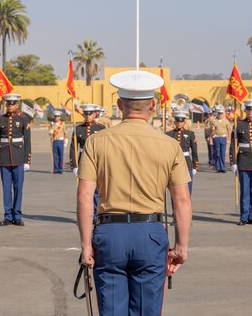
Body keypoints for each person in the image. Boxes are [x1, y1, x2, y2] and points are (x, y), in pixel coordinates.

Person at [77, 70, 192, 316]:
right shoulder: (170, 145)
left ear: (119, 105)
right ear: (152, 104)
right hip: (150, 234)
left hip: (110, 234)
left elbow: (85, 195)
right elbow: (181, 199)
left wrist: (86, 245)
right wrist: (181, 247)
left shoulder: (96, 141)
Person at [0, 93, 32, 226]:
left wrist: (27, 160)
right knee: (6, 188)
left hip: (18, 157)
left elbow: (27, 141)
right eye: (8, 104)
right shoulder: (0, 119)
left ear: (17, 105)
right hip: (4, 157)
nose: (10, 106)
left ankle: (17, 215)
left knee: (18, 187)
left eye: (12, 104)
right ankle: (8, 216)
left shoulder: (23, 119)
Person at [70, 103, 106, 215]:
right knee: (84, 190)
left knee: (97, 190)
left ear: (95, 114)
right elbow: (73, 148)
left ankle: (96, 214)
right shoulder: (78, 129)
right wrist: (75, 165)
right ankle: (85, 213)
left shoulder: (101, 128)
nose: (87, 116)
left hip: (97, 161)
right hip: (84, 160)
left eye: (89, 114)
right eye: (85, 114)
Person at [166, 109, 198, 194]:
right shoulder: (169, 134)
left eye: (181, 121)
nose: (179, 123)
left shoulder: (190, 134)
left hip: (187, 164)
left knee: (187, 191)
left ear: (184, 122)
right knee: (175, 192)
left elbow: (194, 151)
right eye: (177, 121)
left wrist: (195, 166)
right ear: (175, 122)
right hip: (173, 164)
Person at [209, 105, 232, 172]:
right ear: (217, 114)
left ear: (223, 114)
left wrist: (228, 139)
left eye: (221, 113)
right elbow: (211, 131)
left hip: (223, 138)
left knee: (222, 153)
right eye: (219, 113)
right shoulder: (214, 121)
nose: (220, 115)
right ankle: (217, 167)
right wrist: (210, 139)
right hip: (216, 138)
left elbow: (229, 131)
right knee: (217, 153)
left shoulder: (226, 121)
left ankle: (222, 168)